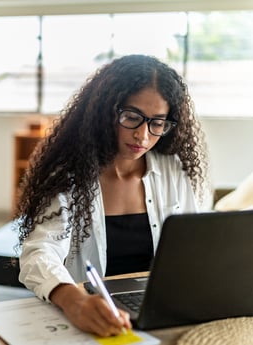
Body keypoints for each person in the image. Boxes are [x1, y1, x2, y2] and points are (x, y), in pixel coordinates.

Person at [14, 54, 211, 337]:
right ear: (105, 111)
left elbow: (195, 245)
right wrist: (74, 301)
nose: (143, 135)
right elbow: (39, 251)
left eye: (157, 123)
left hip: (160, 312)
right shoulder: (70, 174)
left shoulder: (173, 170)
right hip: (92, 312)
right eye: (132, 117)